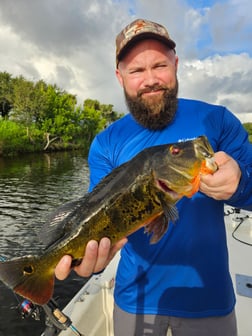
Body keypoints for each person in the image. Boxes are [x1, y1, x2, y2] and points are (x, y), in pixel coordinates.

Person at [55, 19, 252, 336]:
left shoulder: (217, 120)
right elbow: (97, 219)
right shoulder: (107, 142)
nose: (150, 80)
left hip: (210, 299)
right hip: (136, 298)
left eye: (159, 65)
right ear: (120, 77)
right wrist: (91, 260)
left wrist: (240, 182)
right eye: (136, 70)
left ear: (176, 64)